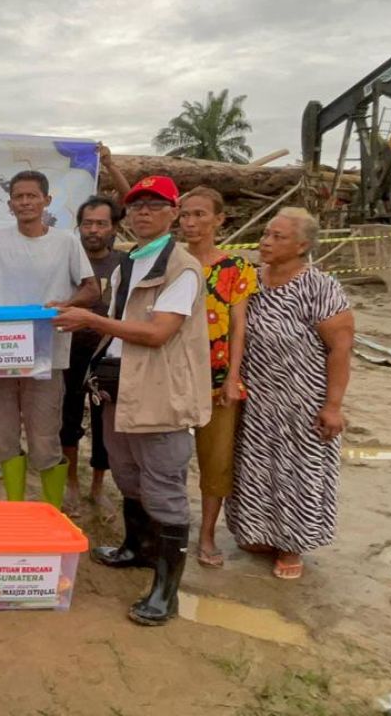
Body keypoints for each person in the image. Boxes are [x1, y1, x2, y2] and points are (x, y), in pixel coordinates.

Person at [53, 174, 210, 626]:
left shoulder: (180, 268)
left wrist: (92, 321)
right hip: (116, 385)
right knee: (126, 473)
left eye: (155, 204)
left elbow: (159, 333)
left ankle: (166, 590)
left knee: (163, 485)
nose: (143, 212)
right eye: (137, 204)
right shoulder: (127, 265)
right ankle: (136, 548)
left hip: (159, 389)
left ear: (173, 213)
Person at [225, 208, 354, 581]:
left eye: (278, 236)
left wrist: (333, 406)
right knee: (255, 468)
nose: (266, 241)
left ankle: (292, 544)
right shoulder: (250, 280)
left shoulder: (320, 287)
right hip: (257, 398)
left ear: (303, 246)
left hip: (302, 400)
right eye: (266, 233)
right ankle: (260, 533)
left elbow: (341, 348)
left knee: (296, 472)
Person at [0, 170, 99, 509]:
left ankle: (50, 511)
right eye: (18, 197)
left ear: (46, 200)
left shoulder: (66, 241)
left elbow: (91, 289)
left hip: (46, 352)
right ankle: (14, 509)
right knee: (2, 434)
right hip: (0, 352)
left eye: (31, 196)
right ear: (10, 205)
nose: (25, 202)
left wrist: (66, 305)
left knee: (44, 436)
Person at [178, 186, 257, 569]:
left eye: (199, 214)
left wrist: (233, 378)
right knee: (168, 458)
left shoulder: (235, 268)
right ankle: (172, 528)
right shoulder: (171, 261)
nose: (190, 222)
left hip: (218, 376)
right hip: (175, 377)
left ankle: (207, 534)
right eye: (185, 215)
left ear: (219, 220)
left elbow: (239, 327)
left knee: (217, 459)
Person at [59, 195, 127, 516]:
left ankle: (98, 486)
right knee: (67, 418)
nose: (93, 230)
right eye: (87, 223)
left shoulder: (124, 265)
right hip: (68, 349)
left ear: (113, 228)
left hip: (107, 354)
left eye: (101, 223)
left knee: (104, 424)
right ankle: (70, 482)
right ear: (79, 227)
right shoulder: (66, 261)